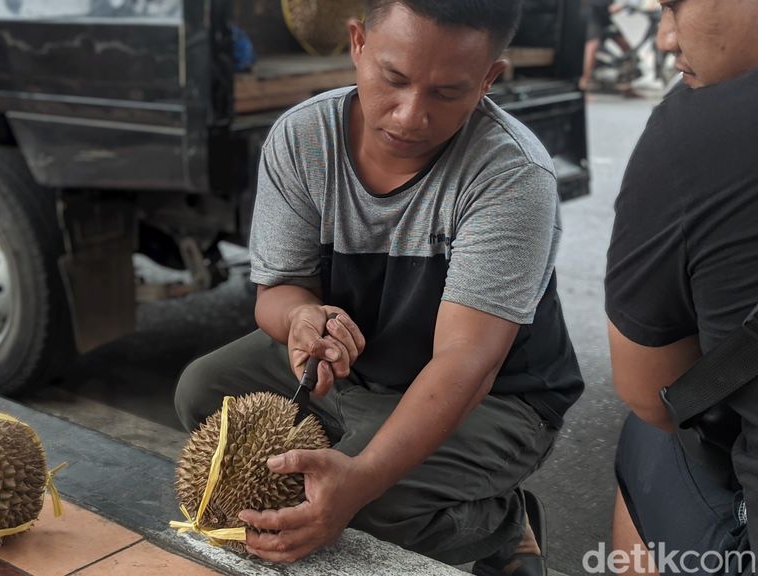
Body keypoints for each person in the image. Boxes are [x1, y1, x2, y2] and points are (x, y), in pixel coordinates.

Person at [173, 0, 584, 572]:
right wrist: (299, 319)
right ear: (358, 43)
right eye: (394, 79)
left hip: (498, 396)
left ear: (489, 79)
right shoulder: (302, 139)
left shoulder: (512, 175)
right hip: (361, 368)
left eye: (447, 93)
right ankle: (356, 462)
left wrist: (360, 480)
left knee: (371, 506)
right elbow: (279, 291)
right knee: (203, 390)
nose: (411, 116)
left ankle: (502, 525)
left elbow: (468, 361)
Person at [605, 0, 758, 572]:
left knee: (652, 431)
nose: (666, 38)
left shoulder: (695, 127)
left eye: (675, 5)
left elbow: (652, 394)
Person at [579, 0, 640, 93]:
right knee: (592, 45)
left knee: (627, 48)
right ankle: (584, 83)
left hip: (605, 17)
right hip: (593, 16)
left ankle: (627, 86)